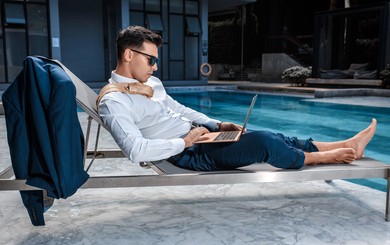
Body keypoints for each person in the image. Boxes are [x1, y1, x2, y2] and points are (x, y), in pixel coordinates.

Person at [98, 26, 377, 171]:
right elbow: (135, 150)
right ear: (129, 54)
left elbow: (178, 107)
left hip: (201, 140)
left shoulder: (151, 82)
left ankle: (345, 144)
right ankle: (324, 159)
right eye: (151, 60)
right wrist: (186, 141)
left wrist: (217, 125)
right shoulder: (115, 102)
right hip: (186, 154)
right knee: (265, 144)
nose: (155, 67)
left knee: (268, 135)